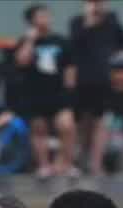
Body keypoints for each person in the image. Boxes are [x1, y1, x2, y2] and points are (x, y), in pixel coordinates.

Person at [64, 0, 123, 175]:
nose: (96, 6)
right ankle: (79, 158)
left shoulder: (112, 22)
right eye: (92, 2)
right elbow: (73, 45)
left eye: (100, 2)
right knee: (81, 122)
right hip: (82, 80)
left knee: (101, 121)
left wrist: (117, 57)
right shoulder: (77, 22)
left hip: (104, 80)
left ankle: (96, 164)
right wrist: (89, 21)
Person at [10, 4, 76, 178]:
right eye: (40, 16)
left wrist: (70, 91)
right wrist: (30, 40)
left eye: (47, 15)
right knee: (39, 129)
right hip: (35, 92)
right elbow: (21, 62)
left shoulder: (61, 41)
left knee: (67, 126)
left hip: (59, 92)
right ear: (31, 20)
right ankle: (44, 166)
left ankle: (65, 164)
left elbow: (70, 68)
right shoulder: (24, 41)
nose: (45, 19)